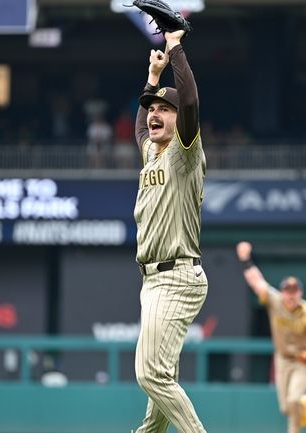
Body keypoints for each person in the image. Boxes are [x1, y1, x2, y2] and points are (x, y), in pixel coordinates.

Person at [132, 29, 208, 433]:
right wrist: (152, 77)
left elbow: (190, 100)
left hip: (176, 277)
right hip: (155, 280)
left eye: (164, 109)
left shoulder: (184, 153)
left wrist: (175, 46)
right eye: (151, 108)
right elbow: (141, 132)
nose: (154, 113)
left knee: (151, 374)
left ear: (181, 122)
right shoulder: (154, 152)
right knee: (158, 394)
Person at [236, 241, 306, 433]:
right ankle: (304, 407)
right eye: (288, 291)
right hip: (282, 359)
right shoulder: (275, 301)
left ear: (300, 293)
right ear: (283, 292)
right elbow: (257, 282)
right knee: (286, 408)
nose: (290, 296)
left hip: (303, 360)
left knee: (294, 399)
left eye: (294, 292)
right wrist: (245, 260)